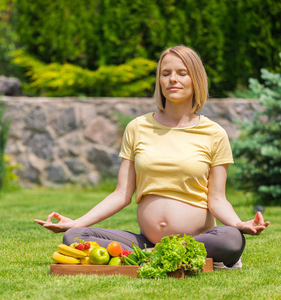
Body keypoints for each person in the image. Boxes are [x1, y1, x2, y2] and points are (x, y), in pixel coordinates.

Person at [34, 45, 269, 268]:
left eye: (182, 73)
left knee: (231, 239)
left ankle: (152, 256)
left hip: (197, 238)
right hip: (146, 242)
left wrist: (238, 224)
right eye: (165, 73)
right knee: (75, 236)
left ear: (195, 79)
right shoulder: (138, 127)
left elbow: (217, 199)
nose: (172, 79)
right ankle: (153, 254)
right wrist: (76, 222)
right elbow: (121, 194)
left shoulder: (214, 133)